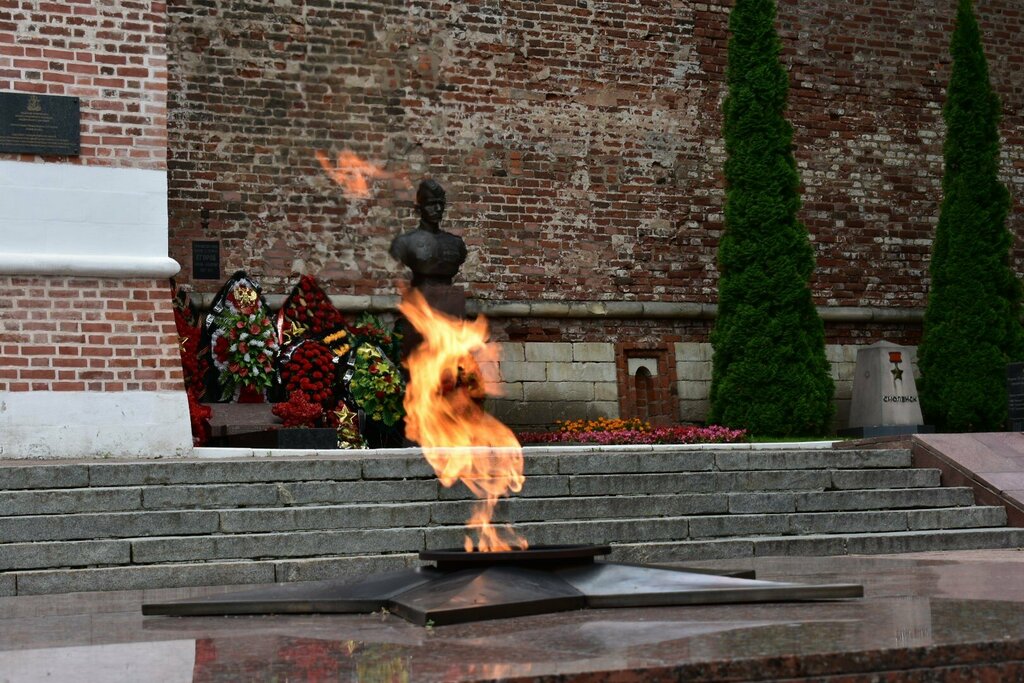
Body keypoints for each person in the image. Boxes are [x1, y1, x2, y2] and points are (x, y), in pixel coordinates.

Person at [389, 179, 467, 288]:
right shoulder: (404, 242)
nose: (438, 209)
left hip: (448, 298)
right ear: (419, 209)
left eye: (440, 203)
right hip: (420, 298)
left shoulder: (456, 243)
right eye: (431, 204)